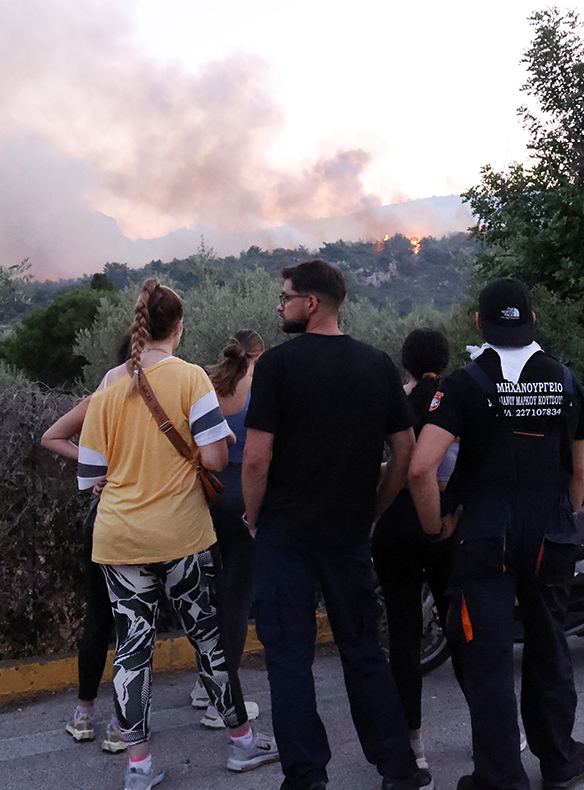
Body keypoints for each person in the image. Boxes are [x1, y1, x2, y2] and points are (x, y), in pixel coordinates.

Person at [78, 279, 278, 790]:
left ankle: (139, 768)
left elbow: (89, 476)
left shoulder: (107, 384)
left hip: (119, 538)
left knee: (131, 647)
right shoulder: (191, 379)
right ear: (180, 327)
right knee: (207, 636)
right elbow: (215, 458)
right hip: (181, 534)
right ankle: (241, 743)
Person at [242, 259, 430, 790]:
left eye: (285, 298)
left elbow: (256, 458)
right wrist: (374, 509)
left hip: (285, 533)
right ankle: (398, 768)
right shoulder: (377, 365)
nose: (280, 306)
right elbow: (405, 450)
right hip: (348, 533)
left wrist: (253, 519)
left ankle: (306, 777)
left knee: (289, 658)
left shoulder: (278, 366)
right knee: (364, 651)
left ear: (312, 303)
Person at [408, 277, 584, 790]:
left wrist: (436, 526)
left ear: (478, 323)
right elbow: (577, 473)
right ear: (532, 318)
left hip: (484, 536)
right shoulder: (565, 380)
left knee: (486, 658)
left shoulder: (464, 383)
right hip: (549, 531)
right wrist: (563, 521)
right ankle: (559, 760)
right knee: (550, 645)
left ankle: (499, 777)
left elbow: (421, 468)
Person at [372, 328, 459, 772]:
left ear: (404, 361)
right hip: (444, 526)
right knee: (462, 629)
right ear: (444, 361)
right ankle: (498, 728)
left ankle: (413, 747)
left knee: (403, 639)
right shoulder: (456, 400)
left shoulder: (393, 402)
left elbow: (380, 464)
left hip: (395, 527)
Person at [43, 338, 132, 754]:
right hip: (145, 523)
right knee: (136, 626)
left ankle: (83, 714)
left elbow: (52, 437)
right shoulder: (174, 393)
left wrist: (98, 469)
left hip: (103, 519)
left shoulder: (105, 395)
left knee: (98, 619)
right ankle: (120, 723)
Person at [188, 330, 267, 728]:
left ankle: (206, 684)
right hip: (243, 498)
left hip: (207, 497)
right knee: (237, 599)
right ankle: (223, 703)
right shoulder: (260, 391)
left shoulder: (205, 386)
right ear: (258, 356)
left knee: (209, 595)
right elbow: (261, 455)